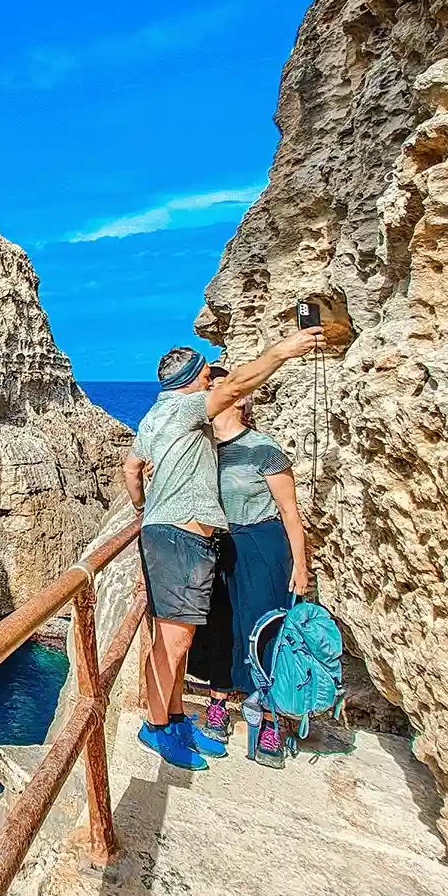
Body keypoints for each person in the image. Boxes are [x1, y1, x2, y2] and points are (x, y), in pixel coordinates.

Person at [122, 327, 322, 771]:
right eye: (207, 375)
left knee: (183, 637)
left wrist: (143, 508)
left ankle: (174, 720)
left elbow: (131, 467)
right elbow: (237, 384)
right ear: (194, 381)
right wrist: (286, 349)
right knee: (172, 644)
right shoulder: (187, 408)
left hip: (180, 537)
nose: (212, 381)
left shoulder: (157, 416)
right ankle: (154, 728)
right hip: (177, 538)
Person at [194, 365, 311, 769]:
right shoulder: (204, 448)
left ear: (240, 399)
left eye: (220, 388)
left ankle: (271, 722)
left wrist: (300, 563)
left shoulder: (265, 449)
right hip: (219, 544)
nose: (213, 394)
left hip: (262, 544)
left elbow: (290, 512)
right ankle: (218, 704)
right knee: (219, 625)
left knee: (267, 628)